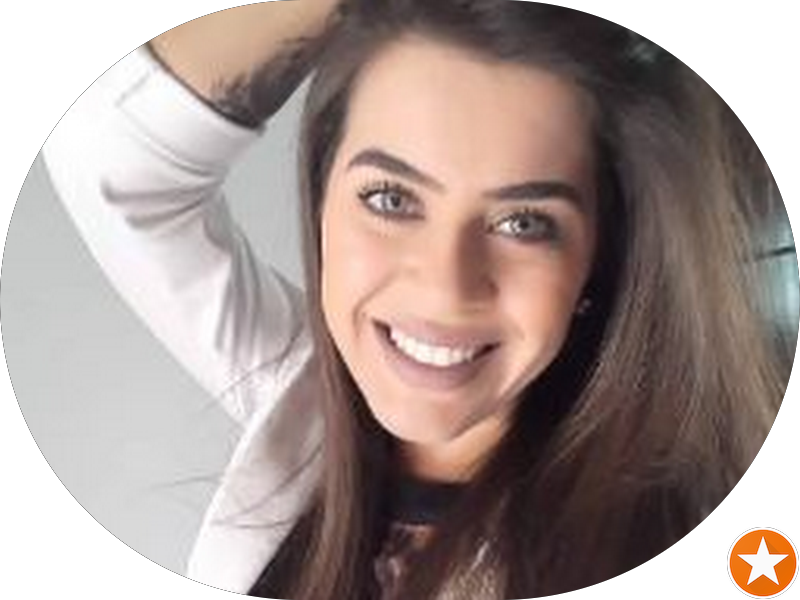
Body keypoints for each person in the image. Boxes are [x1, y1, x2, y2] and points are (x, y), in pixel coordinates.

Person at [42, 1, 788, 598]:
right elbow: (107, 156)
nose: (444, 287)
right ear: (320, 203)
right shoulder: (300, 392)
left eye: (524, 223)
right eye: (391, 199)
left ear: (597, 256)